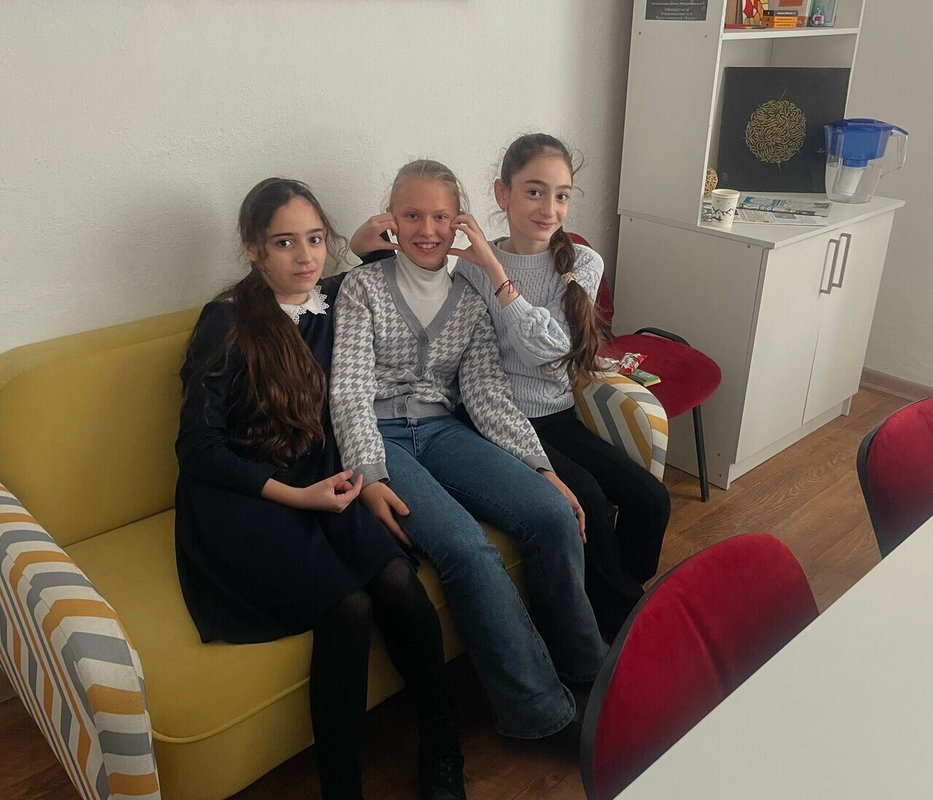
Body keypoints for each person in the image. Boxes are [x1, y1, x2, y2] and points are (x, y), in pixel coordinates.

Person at [174, 178, 465, 800]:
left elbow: (397, 262)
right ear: (253, 248)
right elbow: (198, 450)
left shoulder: (335, 299)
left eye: (315, 240)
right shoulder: (226, 322)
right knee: (348, 608)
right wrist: (297, 497)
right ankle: (342, 788)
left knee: (398, 582)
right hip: (244, 496)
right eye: (285, 243)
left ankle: (443, 745)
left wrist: (361, 244)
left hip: (321, 478)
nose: (305, 257)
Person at [330, 159, 607, 744]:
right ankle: (539, 714)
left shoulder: (470, 297)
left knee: (553, 514)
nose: (427, 230)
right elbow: (349, 390)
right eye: (412, 216)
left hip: (442, 431)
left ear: (460, 222)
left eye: (440, 217)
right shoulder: (362, 287)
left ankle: (591, 669)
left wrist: (540, 468)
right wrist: (369, 473)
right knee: (467, 548)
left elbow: (486, 395)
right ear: (391, 220)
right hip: (379, 438)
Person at [351, 135, 671, 639]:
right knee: (583, 497)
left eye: (561, 195)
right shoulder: (470, 269)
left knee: (651, 500)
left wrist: (498, 274)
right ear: (503, 195)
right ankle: (622, 621)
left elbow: (553, 354)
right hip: (496, 415)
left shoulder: (581, 264)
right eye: (534, 192)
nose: (549, 208)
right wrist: (359, 248)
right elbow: (410, 281)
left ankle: (624, 600)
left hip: (556, 413)